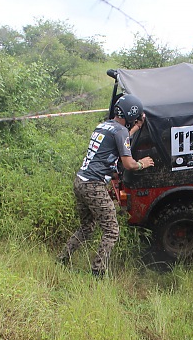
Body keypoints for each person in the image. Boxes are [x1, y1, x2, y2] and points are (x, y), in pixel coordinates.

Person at [59, 95, 155, 277]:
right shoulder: (121, 132)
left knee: (87, 227)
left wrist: (134, 129)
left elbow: (119, 139)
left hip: (80, 181)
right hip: (93, 186)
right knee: (111, 230)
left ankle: (63, 259)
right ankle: (98, 271)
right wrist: (143, 163)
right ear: (131, 114)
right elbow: (129, 164)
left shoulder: (104, 125)